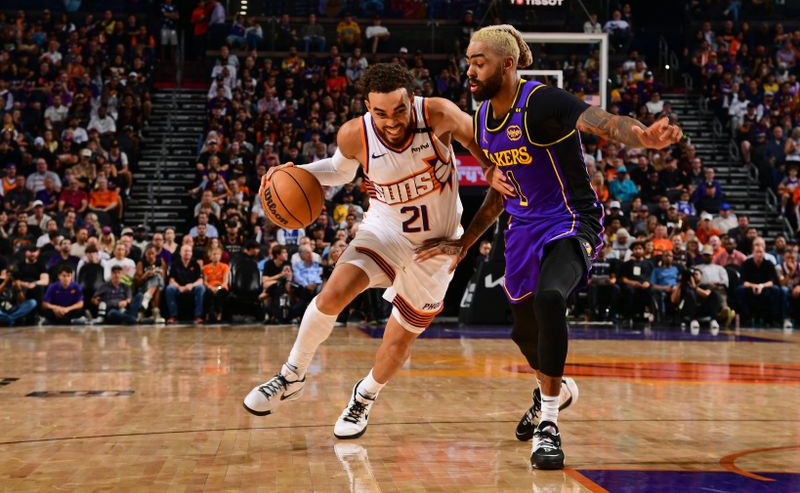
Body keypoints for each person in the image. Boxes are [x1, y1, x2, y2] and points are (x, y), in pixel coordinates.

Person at [415, 24, 681, 469]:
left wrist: (645, 138)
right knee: (522, 332)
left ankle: (549, 424)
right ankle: (552, 391)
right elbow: (501, 192)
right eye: (468, 61)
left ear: (508, 64)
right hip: (521, 229)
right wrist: (463, 245)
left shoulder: (540, 102)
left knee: (551, 297)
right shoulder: (481, 121)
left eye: (479, 62)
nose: (470, 70)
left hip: (570, 221)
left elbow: (604, 122)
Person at [242, 63, 496, 441]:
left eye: (398, 110)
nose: (391, 121)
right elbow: (338, 172)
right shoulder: (355, 134)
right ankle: (291, 374)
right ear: (367, 106)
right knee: (332, 293)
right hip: (385, 231)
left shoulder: (440, 115)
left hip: (436, 248)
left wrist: (466, 241)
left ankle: (365, 396)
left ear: (411, 100)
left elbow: (495, 170)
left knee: (397, 343)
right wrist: (293, 170)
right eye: (380, 112)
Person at [165, 244, 205, 324]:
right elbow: (171, 280)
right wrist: (179, 287)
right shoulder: (175, 264)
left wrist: (191, 285)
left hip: (192, 288)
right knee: (169, 288)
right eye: (185, 251)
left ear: (192, 253)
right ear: (180, 253)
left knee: (201, 288)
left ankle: (198, 316)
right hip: (179, 288)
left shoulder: (195, 264)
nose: (187, 253)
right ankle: (173, 316)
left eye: (189, 251)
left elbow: (200, 280)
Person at [202, 247, 229, 324]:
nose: (216, 256)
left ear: (220, 256)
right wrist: (211, 288)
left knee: (220, 293)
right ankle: (207, 315)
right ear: (210, 256)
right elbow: (205, 281)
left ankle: (219, 314)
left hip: (221, 287)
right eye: (214, 254)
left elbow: (225, 281)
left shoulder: (225, 266)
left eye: (218, 254)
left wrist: (218, 288)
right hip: (210, 287)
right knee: (208, 293)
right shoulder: (205, 267)